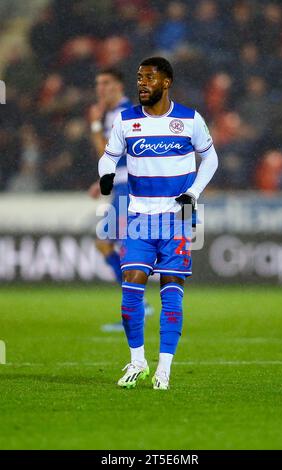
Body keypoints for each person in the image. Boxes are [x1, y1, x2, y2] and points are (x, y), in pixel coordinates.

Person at [98, 57, 218, 389]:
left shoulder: (190, 120)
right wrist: (106, 176)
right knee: (130, 290)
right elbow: (108, 156)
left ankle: (164, 368)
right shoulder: (126, 121)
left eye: (149, 78)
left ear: (166, 82)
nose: (142, 83)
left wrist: (193, 193)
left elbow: (210, 157)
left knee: (171, 291)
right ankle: (138, 361)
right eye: (139, 78)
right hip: (139, 215)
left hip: (178, 216)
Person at [88, 68, 153, 332]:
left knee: (116, 246)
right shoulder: (119, 113)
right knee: (107, 244)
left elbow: (107, 153)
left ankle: (138, 306)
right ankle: (140, 304)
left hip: (130, 189)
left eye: (106, 83)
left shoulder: (122, 114)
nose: (100, 88)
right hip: (124, 185)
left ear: (118, 86)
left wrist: (93, 125)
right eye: (98, 83)